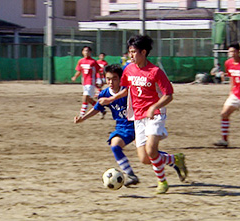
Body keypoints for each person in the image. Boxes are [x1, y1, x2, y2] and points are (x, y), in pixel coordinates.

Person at [99, 35, 188, 194]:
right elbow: (127, 89)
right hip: (138, 116)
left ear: (144, 52)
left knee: (152, 149)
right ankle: (175, 159)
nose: (130, 55)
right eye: (129, 52)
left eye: (133, 52)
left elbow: (169, 95)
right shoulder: (128, 69)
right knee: (145, 158)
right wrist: (112, 98)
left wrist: (155, 107)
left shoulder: (155, 72)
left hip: (155, 115)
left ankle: (162, 183)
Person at [75, 64, 184, 187]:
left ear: (121, 79)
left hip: (137, 124)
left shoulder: (129, 91)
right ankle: (132, 174)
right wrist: (83, 118)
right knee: (119, 147)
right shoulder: (104, 93)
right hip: (122, 127)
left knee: (148, 155)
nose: (111, 82)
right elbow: (97, 108)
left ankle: (172, 163)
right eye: (108, 79)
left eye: (114, 79)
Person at [71, 46, 100, 117]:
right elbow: (79, 71)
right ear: (82, 52)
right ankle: (100, 109)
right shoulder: (81, 61)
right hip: (84, 82)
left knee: (85, 96)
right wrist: (75, 77)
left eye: (87, 51)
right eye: (84, 51)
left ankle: (82, 114)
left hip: (91, 82)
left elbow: (98, 71)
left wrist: (99, 80)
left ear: (90, 52)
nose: (86, 52)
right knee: (88, 98)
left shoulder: (93, 62)